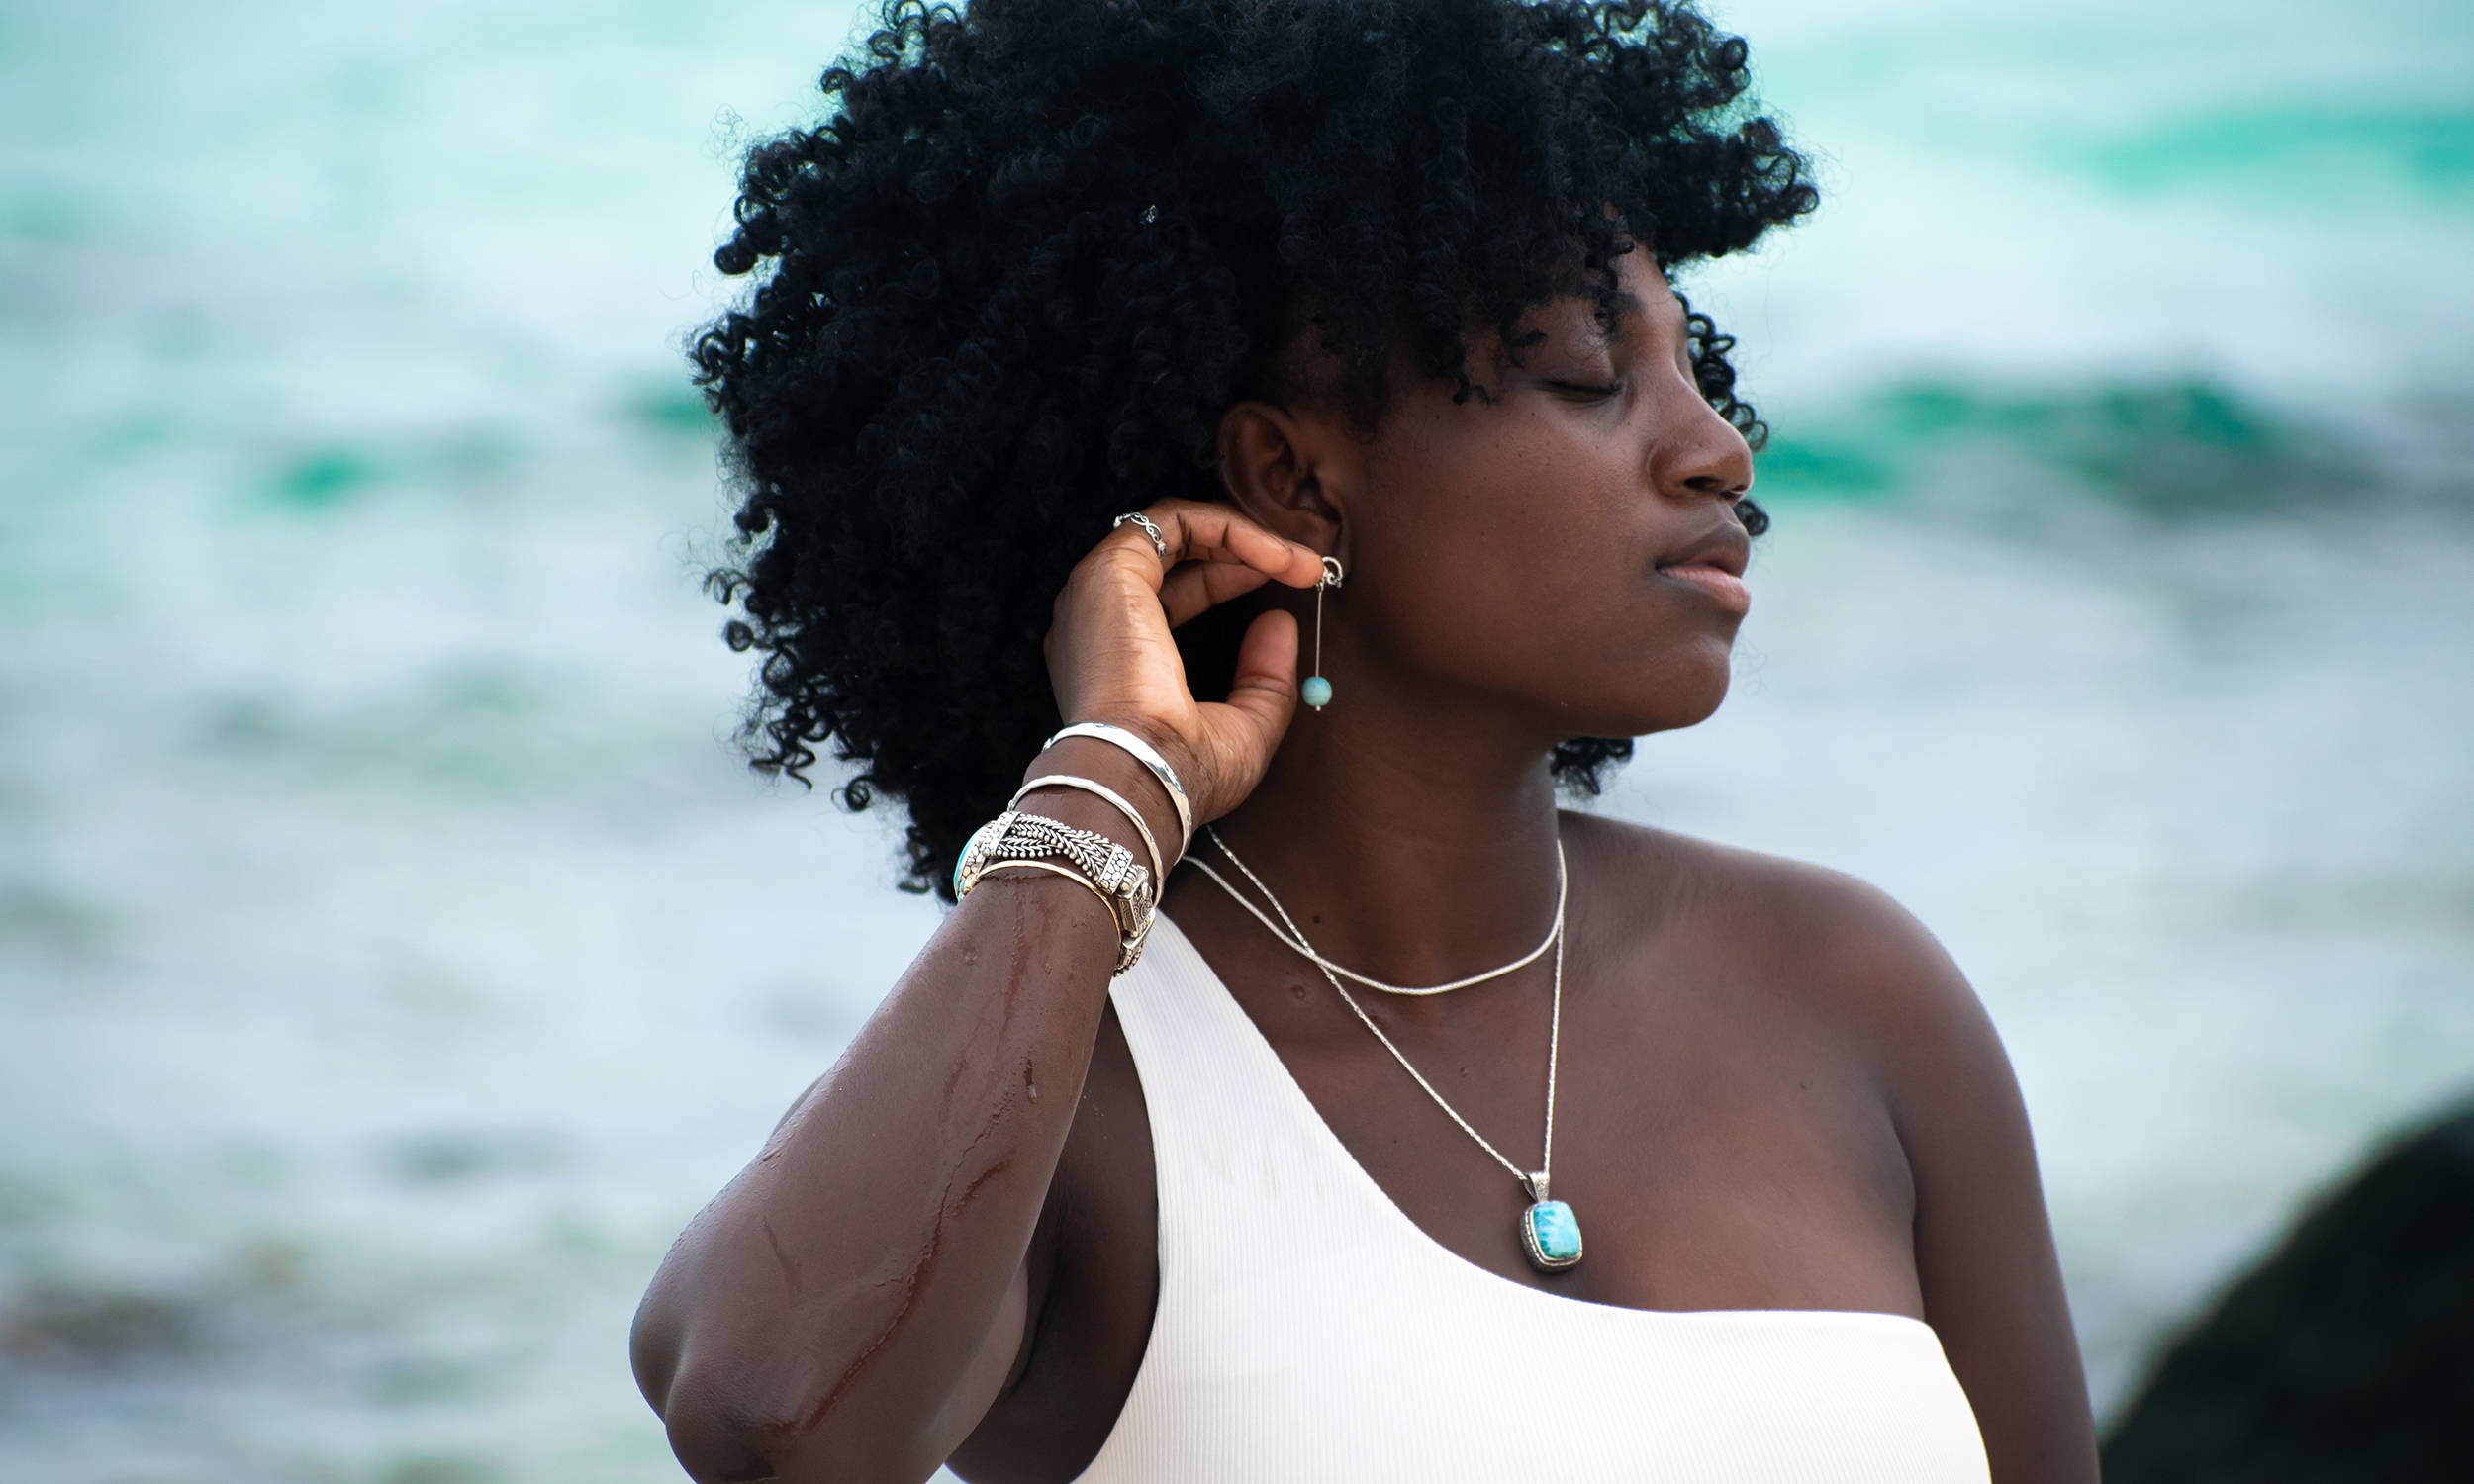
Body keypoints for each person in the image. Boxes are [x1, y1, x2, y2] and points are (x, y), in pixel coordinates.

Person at [628, 0, 2101, 1479]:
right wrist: (1111, 784)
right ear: (1292, 479)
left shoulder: (1855, 995)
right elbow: (772, 1418)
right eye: (1593, 373)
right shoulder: (1066, 1098)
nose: (1716, 447)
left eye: (1694, 365)